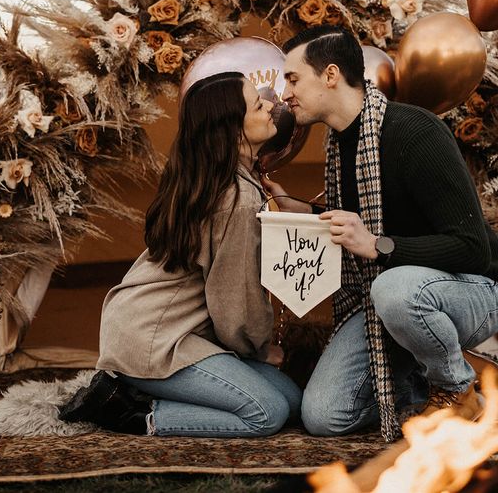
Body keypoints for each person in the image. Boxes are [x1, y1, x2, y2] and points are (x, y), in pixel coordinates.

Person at [263, 25, 498, 441]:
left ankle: (457, 389)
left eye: (293, 78)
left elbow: (473, 248)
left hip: (472, 289)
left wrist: (376, 246)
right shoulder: (340, 145)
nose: (285, 93)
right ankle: (415, 390)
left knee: (395, 289)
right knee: (323, 416)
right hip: (387, 298)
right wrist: (306, 211)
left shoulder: (414, 132)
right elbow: (373, 219)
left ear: (331, 75)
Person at [59, 71, 302, 437]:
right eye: (258, 103)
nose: (271, 105)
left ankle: (138, 387)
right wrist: (258, 350)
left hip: (163, 329)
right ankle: (128, 411)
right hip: (153, 340)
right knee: (267, 413)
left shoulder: (215, 177)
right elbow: (234, 299)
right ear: (234, 129)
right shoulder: (236, 200)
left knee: (292, 400)